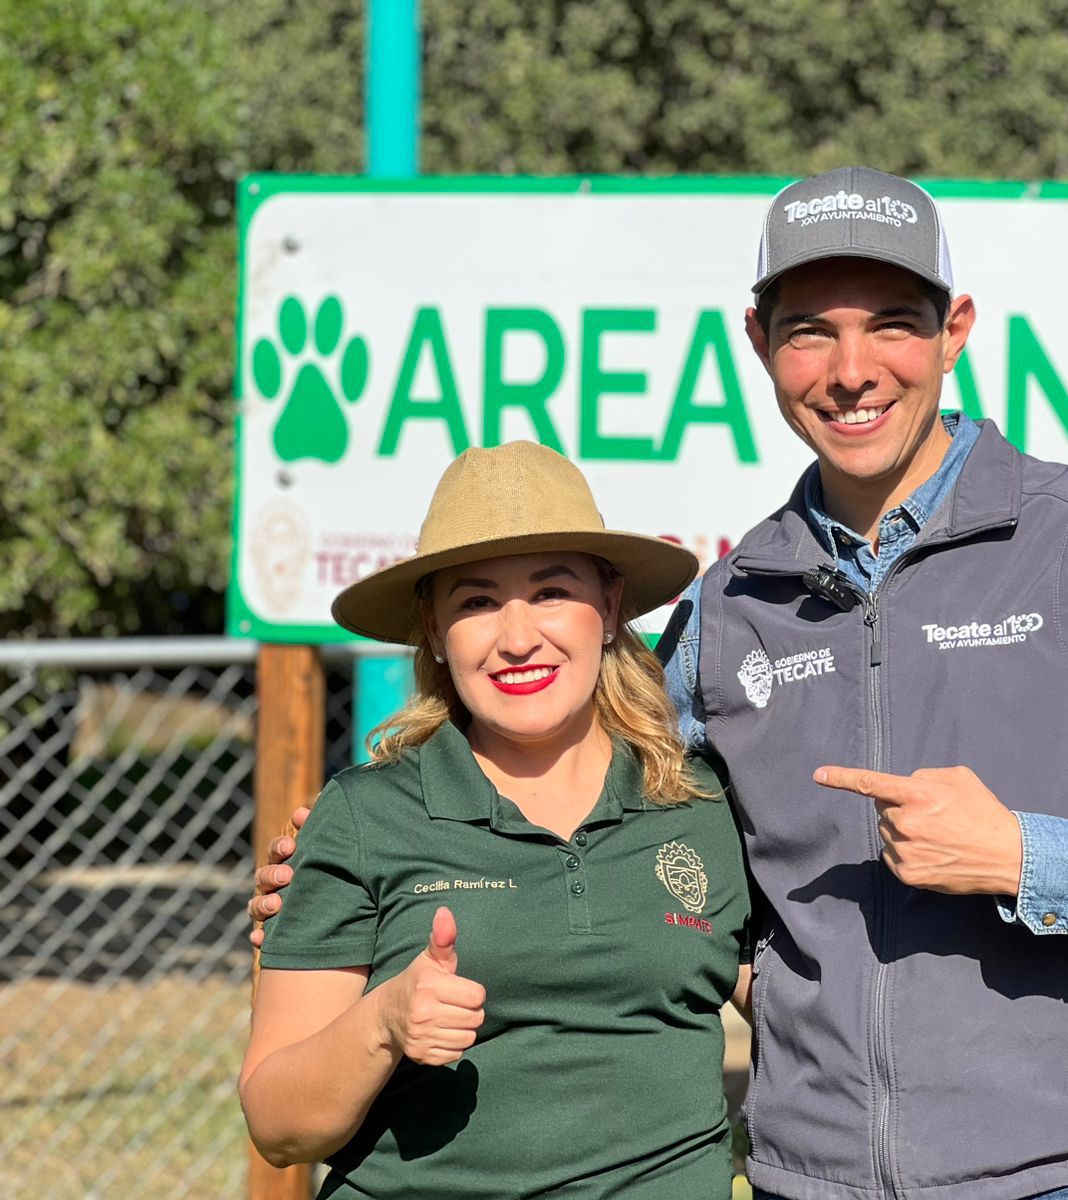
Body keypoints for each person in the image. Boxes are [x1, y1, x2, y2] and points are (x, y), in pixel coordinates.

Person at [255, 167, 1068, 1200]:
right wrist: (346, 885)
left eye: (892, 321)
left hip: (1057, 1173)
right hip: (814, 1176)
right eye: (809, 330)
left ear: (956, 329)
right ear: (758, 344)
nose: (851, 370)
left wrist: (1025, 858)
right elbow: (604, 814)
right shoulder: (732, 602)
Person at [240, 441, 752, 1199]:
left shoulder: (706, 806)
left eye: (551, 592)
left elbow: (810, 1004)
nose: (517, 638)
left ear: (609, 608)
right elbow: (280, 1127)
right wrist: (383, 1023)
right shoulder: (361, 816)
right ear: (434, 629)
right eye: (477, 602)